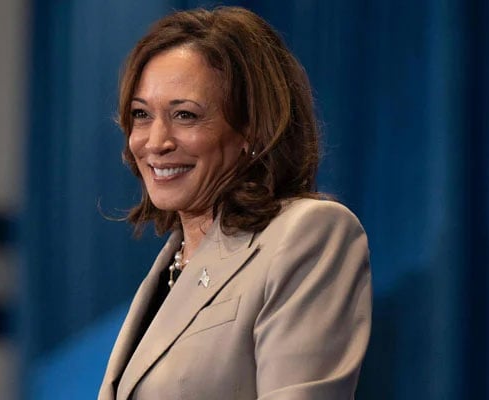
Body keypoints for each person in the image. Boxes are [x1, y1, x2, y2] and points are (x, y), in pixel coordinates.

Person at [99, 6, 371, 400]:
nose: (156, 142)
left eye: (185, 115)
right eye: (142, 114)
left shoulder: (309, 235)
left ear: (251, 128)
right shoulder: (169, 266)